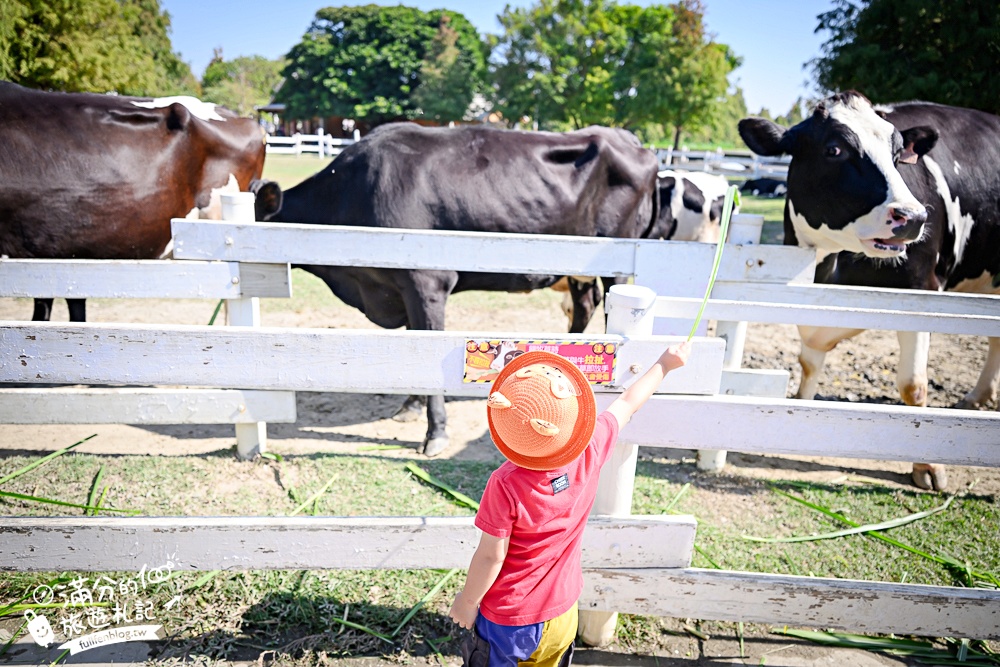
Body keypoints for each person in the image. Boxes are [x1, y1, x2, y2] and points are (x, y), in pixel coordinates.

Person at [448, 340, 692, 667]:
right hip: (563, 613)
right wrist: (665, 363)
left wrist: (467, 600)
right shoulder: (589, 450)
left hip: (509, 621)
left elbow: (492, 555)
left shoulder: (505, 484)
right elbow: (628, 403)